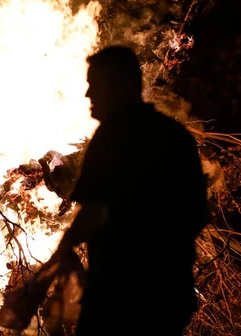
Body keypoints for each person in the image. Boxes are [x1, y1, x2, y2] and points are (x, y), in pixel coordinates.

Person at [52, 45, 211, 334]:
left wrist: (64, 247)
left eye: (93, 85)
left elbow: (94, 212)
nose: (88, 95)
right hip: (168, 301)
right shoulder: (175, 137)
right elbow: (198, 214)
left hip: (117, 302)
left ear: (116, 86)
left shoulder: (112, 137)